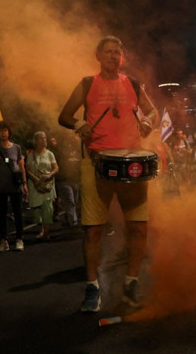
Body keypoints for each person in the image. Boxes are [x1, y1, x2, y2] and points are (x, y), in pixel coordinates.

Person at [58, 35, 157, 312]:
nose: (114, 56)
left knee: (138, 226)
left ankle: (132, 283)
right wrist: (79, 123)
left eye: (118, 52)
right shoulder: (88, 83)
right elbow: (64, 115)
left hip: (131, 163)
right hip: (97, 162)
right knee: (93, 230)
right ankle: (92, 288)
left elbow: (152, 110)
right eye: (109, 52)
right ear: (99, 57)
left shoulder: (133, 84)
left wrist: (148, 121)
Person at [0, 121, 27, 252]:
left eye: (5, 130)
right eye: (0, 131)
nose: (3, 133)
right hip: (0, 186)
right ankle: (4, 240)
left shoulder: (17, 148)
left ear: (9, 132)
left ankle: (19, 239)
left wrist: (25, 183)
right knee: (2, 214)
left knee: (18, 213)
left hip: (15, 186)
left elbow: (21, 167)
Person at [26, 131, 58, 240]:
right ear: (35, 141)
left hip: (47, 185)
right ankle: (41, 231)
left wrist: (49, 175)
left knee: (48, 209)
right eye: (41, 138)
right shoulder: (30, 155)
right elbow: (28, 170)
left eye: (45, 138)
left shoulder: (50, 154)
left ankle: (46, 233)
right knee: (37, 210)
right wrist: (36, 180)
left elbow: (56, 168)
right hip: (35, 185)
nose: (44, 140)